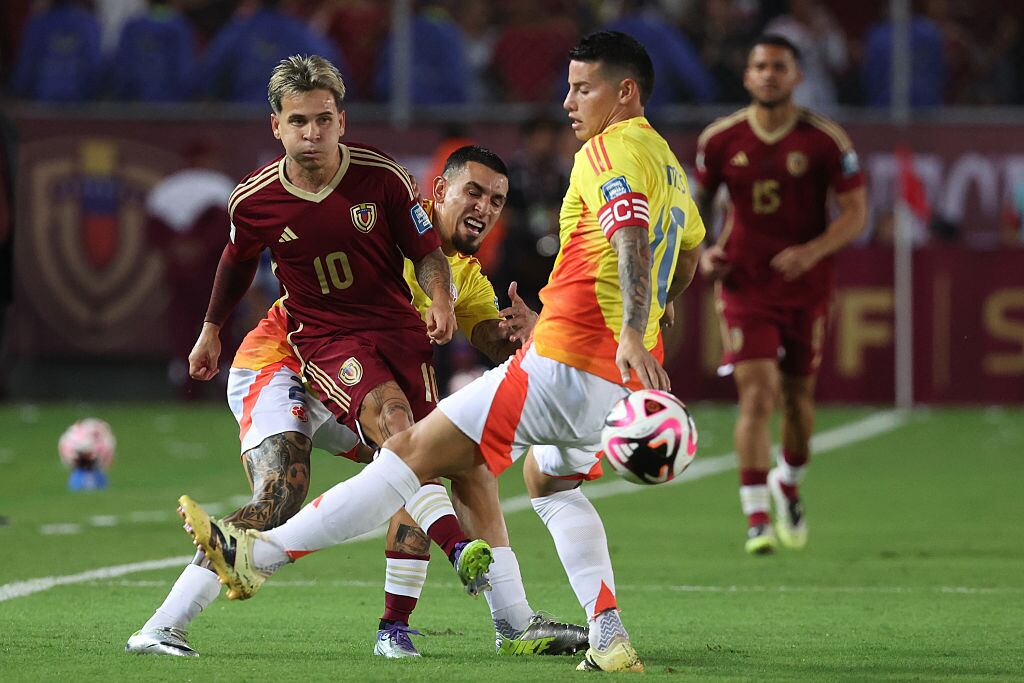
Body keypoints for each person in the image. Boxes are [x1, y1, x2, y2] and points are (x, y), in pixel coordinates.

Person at [176, 31, 705, 672]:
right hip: (612, 384)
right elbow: (688, 257)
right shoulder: (670, 166)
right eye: (568, 86)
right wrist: (646, 323)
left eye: (582, 88)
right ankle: (604, 631)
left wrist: (621, 328)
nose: (568, 102)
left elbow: (629, 232)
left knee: (409, 455)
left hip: (567, 360)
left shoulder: (603, 152)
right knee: (544, 480)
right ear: (441, 193)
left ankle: (260, 558)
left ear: (625, 93)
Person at [128, 142, 586, 658]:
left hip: (368, 387)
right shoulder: (386, 221)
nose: (484, 208)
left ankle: (500, 623)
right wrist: (214, 326)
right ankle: (163, 624)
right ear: (440, 191)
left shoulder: (465, 278)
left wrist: (530, 332)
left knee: (455, 460)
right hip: (285, 363)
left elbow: (492, 338)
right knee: (282, 494)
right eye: (473, 193)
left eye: (497, 201)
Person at [693, 34, 867, 555]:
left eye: (779, 66)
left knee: (797, 401)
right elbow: (692, 209)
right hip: (745, 284)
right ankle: (755, 518)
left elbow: (856, 213)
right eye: (760, 66)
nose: (768, 74)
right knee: (757, 395)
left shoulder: (825, 141)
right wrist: (704, 253)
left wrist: (811, 252)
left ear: (796, 76)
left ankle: (787, 481)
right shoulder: (721, 140)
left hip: (806, 288)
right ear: (747, 77)